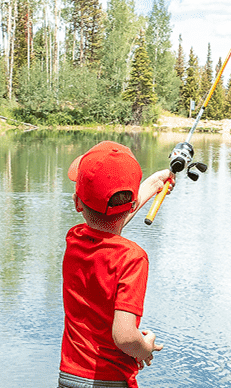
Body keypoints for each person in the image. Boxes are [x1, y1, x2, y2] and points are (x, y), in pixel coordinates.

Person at [59, 141, 176, 388]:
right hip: (110, 381)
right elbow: (124, 336)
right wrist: (144, 348)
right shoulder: (132, 258)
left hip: (69, 377)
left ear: (77, 203)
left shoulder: (74, 239)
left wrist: (155, 184)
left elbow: (108, 224)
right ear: (132, 206)